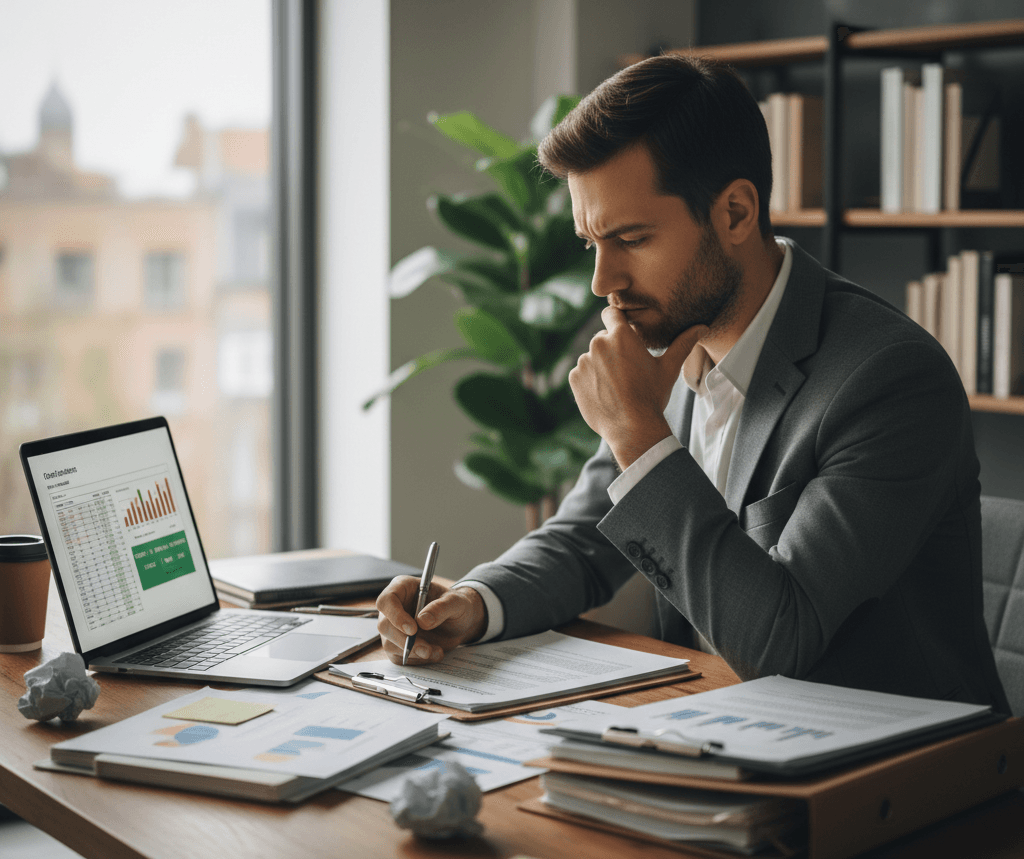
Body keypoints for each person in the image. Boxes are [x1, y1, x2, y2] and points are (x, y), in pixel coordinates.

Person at [377, 53, 1010, 712]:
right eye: (593, 243)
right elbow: (586, 540)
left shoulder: (889, 379)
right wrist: (475, 603)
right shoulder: (674, 339)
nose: (602, 282)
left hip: (905, 773)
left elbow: (779, 640)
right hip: (724, 726)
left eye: (631, 237)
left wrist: (635, 432)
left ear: (734, 213)